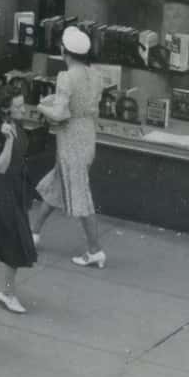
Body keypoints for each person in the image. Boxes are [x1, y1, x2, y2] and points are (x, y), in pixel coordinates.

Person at [32, 26, 107, 267]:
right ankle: (33, 232)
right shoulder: (96, 76)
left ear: (64, 51)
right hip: (87, 135)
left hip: (70, 137)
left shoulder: (66, 77)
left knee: (80, 194)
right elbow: (82, 105)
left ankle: (95, 249)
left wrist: (42, 106)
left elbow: (60, 114)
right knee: (58, 184)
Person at [0, 87, 38, 312]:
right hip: (2, 190)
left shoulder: (17, 127)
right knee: (14, 242)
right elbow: (0, 166)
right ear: (6, 109)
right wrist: (9, 141)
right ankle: (8, 293)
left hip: (15, 189)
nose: (24, 109)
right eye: (18, 106)